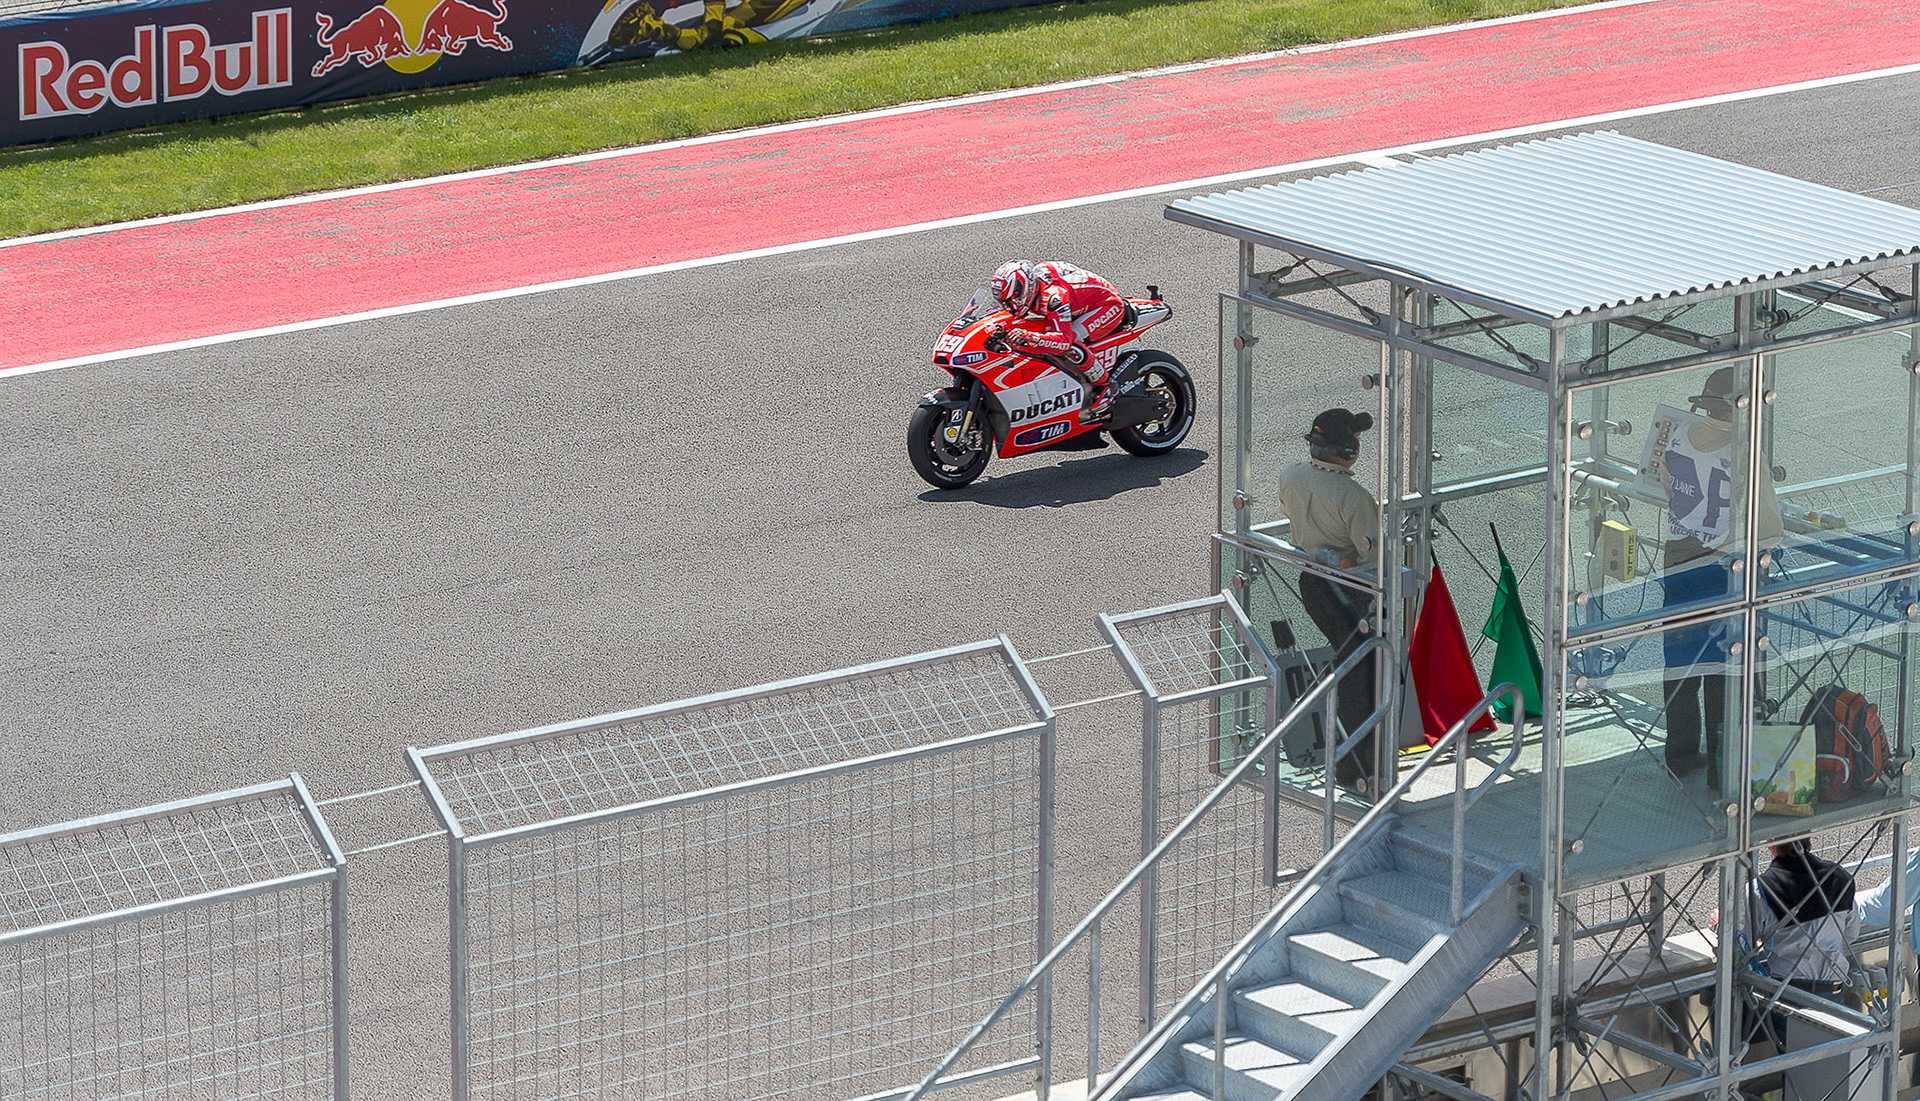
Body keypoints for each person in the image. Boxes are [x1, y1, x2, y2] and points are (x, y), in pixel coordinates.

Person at [1660, 365, 1781, 786]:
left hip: (1678, 558)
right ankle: (1721, 765)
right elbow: (1766, 524)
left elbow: (1667, 485)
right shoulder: (1744, 450)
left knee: (1679, 659)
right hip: (1723, 565)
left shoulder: (1678, 434)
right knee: (1723, 666)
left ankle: (1679, 753)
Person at [1274, 408, 1381, 794]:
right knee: (1363, 672)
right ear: (1348, 449)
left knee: (1352, 665)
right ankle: (1358, 766)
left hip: (1313, 584)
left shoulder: (1290, 474)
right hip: (1349, 591)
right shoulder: (1354, 497)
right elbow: (1372, 561)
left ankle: (1355, 762)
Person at [990, 260, 1129, 424]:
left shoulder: (1054, 297)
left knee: (1071, 342)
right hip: (1078, 303)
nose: (1009, 306)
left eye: (1013, 300)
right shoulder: (1033, 286)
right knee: (1044, 338)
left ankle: (1107, 387)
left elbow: (1064, 341)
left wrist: (1030, 337)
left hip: (1106, 305)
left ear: (1025, 290)